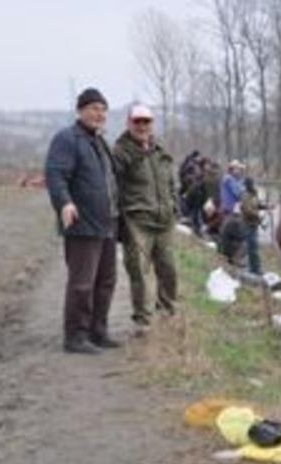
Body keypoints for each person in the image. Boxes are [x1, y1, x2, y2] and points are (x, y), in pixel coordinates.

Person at [44, 87, 120, 354]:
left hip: (107, 223)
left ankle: (98, 331)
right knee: (82, 284)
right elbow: (55, 175)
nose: (99, 114)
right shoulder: (67, 139)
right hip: (83, 224)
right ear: (80, 111)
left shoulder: (99, 142)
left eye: (102, 109)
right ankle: (75, 337)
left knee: (106, 281)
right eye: (93, 108)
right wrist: (64, 203)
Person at [112, 104, 178, 333]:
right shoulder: (120, 152)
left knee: (169, 268)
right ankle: (143, 320)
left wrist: (174, 206)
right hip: (137, 221)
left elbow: (171, 182)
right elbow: (113, 187)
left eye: (146, 121)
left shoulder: (161, 151)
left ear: (151, 124)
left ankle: (168, 311)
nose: (142, 126)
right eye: (137, 121)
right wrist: (120, 218)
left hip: (165, 221)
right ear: (129, 123)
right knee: (139, 271)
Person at [239, 177, 270, 275]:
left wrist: (266, 206)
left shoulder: (254, 193)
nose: (252, 185)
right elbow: (247, 210)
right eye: (250, 184)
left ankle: (254, 268)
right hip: (248, 224)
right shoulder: (245, 195)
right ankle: (255, 269)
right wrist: (258, 215)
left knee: (254, 247)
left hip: (254, 224)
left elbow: (257, 205)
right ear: (247, 185)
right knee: (252, 248)